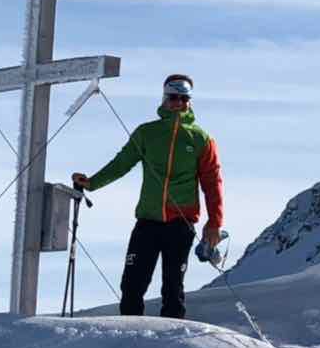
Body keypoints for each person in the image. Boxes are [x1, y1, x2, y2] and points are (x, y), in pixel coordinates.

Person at [72, 74, 223, 319]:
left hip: (181, 224)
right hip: (147, 222)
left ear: (190, 102)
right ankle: (128, 337)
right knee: (132, 285)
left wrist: (214, 223)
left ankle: (170, 346)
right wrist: (91, 183)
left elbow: (212, 184)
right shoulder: (147, 133)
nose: (178, 103)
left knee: (173, 289)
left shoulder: (201, 140)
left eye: (184, 98)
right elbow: (121, 163)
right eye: (173, 97)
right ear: (164, 99)